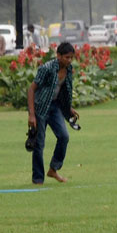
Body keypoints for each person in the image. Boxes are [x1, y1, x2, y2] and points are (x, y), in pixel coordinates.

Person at [27, 42, 79, 184]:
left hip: (55, 106)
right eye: (66, 57)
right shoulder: (47, 68)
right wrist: (32, 115)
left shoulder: (69, 69)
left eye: (71, 58)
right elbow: (31, 90)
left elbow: (62, 91)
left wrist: (68, 108)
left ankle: (53, 169)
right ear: (58, 56)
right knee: (39, 143)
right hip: (40, 108)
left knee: (64, 136)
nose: (69, 60)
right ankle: (38, 179)